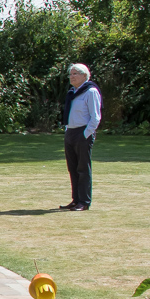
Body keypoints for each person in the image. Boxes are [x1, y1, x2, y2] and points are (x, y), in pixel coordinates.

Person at [59, 63, 102, 211]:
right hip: (71, 132)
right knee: (73, 168)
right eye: (70, 74)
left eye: (75, 73)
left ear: (85, 75)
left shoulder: (90, 92)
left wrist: (85, 134)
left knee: (83, 168)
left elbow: (95, 117)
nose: (72, 76)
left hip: (83, 133)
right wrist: (67, 130)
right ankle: (75, 200)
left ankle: (84, 201)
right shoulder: (72, 92)